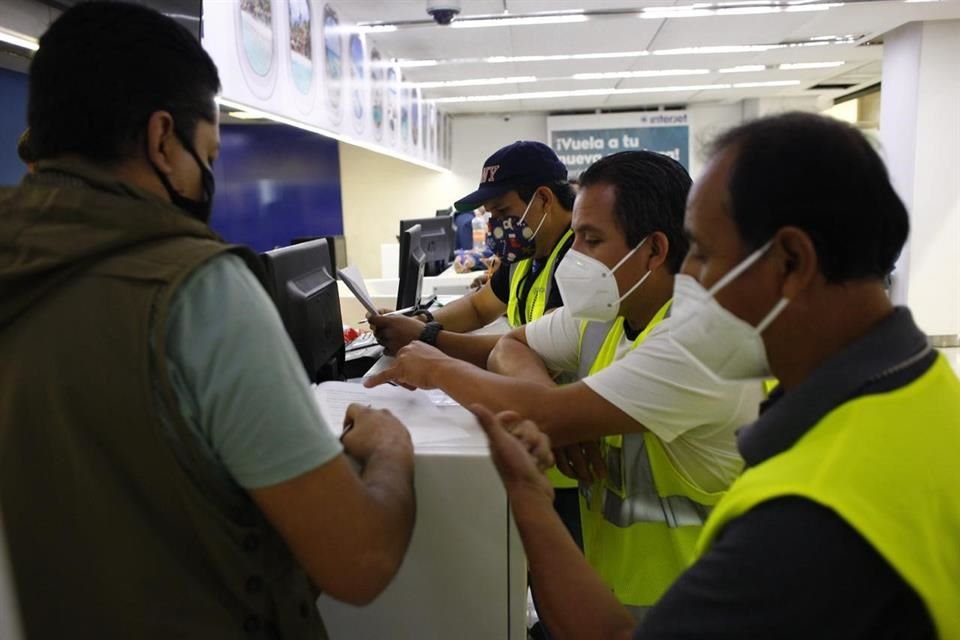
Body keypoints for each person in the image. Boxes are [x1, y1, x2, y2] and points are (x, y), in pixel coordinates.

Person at [0, 4, 415, 638]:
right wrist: (390, 449)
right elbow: (359, 560)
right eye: (209, 154)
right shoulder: (198, 290)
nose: (210, 175)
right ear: (163, 139)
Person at [476, 112, 960, 638]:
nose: (686, 274)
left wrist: (529, 497)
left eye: (703, 253)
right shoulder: (924, 394)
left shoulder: (814, 507)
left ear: (792, 262)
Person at [366, 151, 763, 624]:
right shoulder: (605, 316)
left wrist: (435, 367)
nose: (573, 258)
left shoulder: (698, 343)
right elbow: (511, 346)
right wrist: (553, 410)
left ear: (654, 251)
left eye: (591, 240)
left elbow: (544, 413)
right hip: (620, 603)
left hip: (696, 614)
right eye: (575, 237)